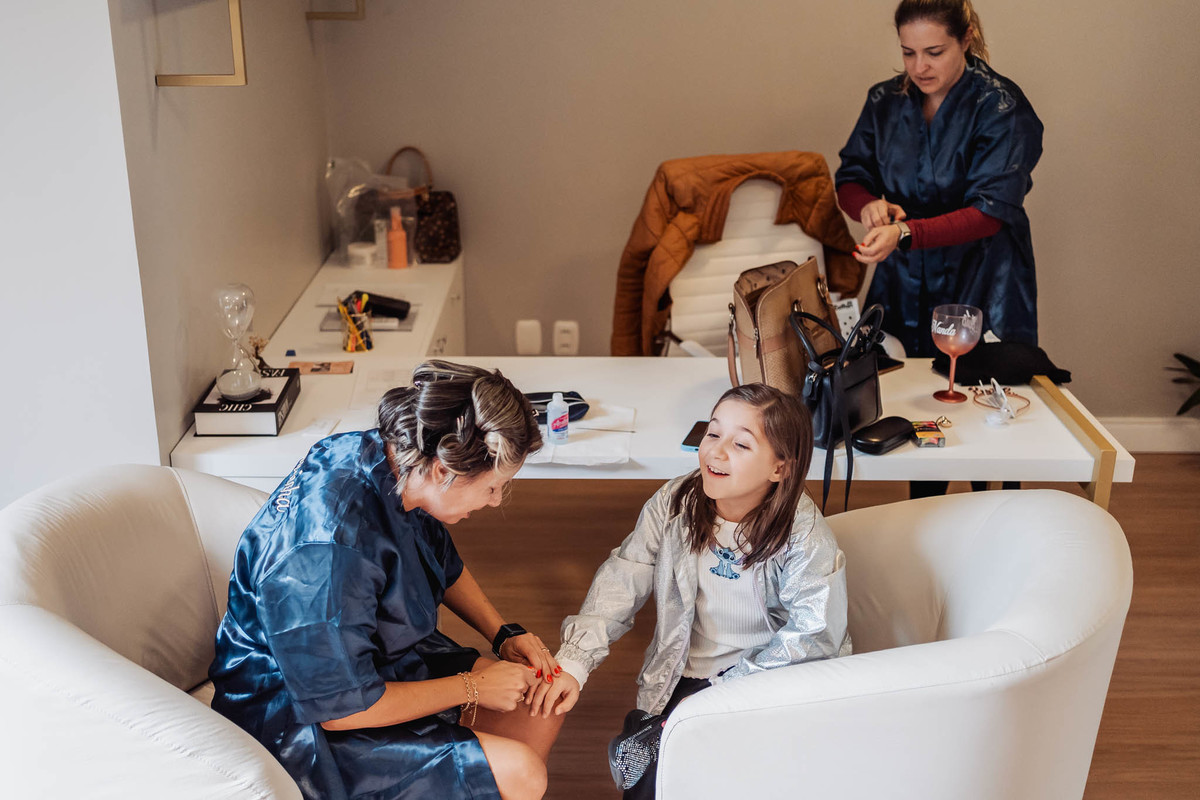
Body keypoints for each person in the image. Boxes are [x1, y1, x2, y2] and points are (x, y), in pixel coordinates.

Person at [210, 360, 564, 800]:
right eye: (493, 488)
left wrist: (503, 633)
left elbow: (439, 559)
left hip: (377, 655)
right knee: (523, 773)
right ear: (443, 471)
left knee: (539, 702)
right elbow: (340, 710)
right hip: (300, 715)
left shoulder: (397, 458)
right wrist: (473, 686)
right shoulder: (329, 547)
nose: (495, 502)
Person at [529, 383, 851, 799]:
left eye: (741, 444)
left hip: (766, 684)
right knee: (649, 776)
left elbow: (815, 634)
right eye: (713, 433)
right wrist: (575, 662)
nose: (716, 451)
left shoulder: (803, 535)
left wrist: (724, 693)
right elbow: (625, 574)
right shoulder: (675, 501)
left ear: (780, 468)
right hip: (682, 676)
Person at [835, 0, 1042, 497]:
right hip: (906, 280)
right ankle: (927, 516)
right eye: (908, 53)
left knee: (989, 410)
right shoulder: (885, 100)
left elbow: (991, 209)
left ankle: (999, 520)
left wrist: (907, 233)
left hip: (985, 276)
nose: (919, 67)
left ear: (966, 39)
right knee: (918, 404)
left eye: (934, 52)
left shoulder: (1000, 106)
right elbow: (851, 176)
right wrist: (870, 208)